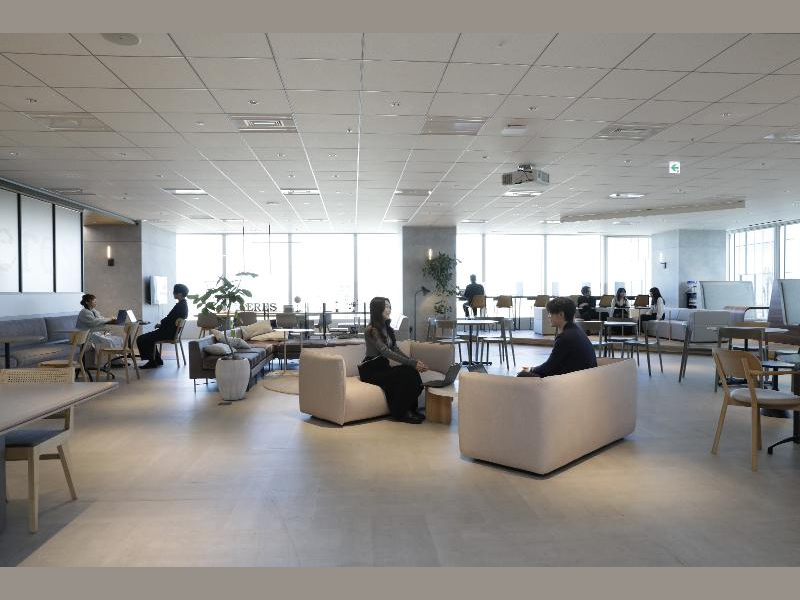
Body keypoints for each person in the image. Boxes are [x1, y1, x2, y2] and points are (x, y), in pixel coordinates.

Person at [360, 297, 428, 424]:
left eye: (389, 306)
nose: (389, 309)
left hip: (382, 367)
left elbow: (395, 349)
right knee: (407, 373)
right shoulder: (371, 330)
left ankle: (411, 409)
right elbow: (385, 351)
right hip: (371, 370)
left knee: (410, 371)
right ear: (377, 309)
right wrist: (412, 363)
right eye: (386, 306)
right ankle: (401, 413)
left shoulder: (387, 328)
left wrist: (412, 362)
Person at [517, 297, 597, 378]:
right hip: (584, 377)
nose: (549, 316)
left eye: (551, 313)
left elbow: (549, 366)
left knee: (522, 375)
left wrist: (531, 369)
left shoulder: (565, 337)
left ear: (561, 314)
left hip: (572, 380)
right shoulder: (577, 331)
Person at [137, 283, 189, 369]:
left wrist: (160, 324)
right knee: (149, 338)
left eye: (174, 292)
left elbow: (169, 319)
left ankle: (152, 361)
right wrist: (162, 324)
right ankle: (157, 360)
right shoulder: (183, 305)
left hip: (167, 333)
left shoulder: (180, 306)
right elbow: (171, 319)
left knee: (141, 339)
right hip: (171, 332)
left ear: (179, 294)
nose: (173, 293)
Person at [76, 294, 124, 367]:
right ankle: (106, 363)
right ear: (87, 302)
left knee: (117, 339)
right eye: (94, 301)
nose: (96, 303)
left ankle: (116, 361)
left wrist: (111, 319)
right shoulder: (84, 312)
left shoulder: (94, 311)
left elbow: (101, 319)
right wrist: (109, 319)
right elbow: (94, 322)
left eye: (96, 301)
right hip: (85, 334)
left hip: (93, 332)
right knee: (108, 341)